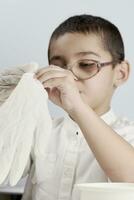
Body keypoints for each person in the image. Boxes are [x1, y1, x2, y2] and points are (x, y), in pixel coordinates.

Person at [1, 14, 134, 200]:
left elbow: (130, 178)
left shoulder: (128, 135)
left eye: (86, 64)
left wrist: (77, 107)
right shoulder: (41, 131)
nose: (69, 77)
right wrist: (7, 111)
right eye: (57, 67)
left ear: (120, 73)